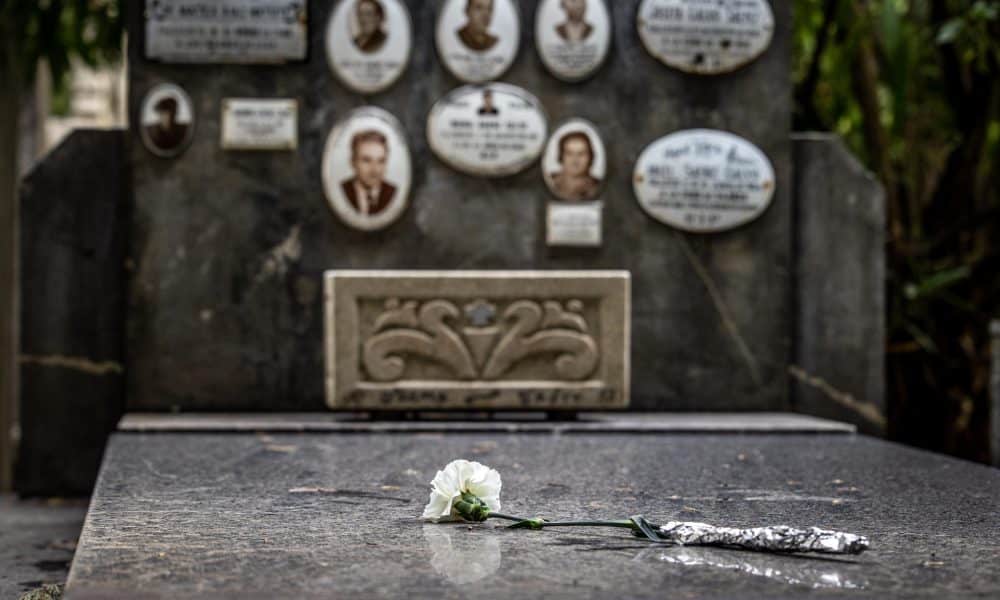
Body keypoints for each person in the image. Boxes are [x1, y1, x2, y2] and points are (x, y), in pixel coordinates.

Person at [340, 130, 397, 216]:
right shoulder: (342, 192)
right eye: (366, 160)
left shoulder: (393, 193)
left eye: (381, 161)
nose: (374, 170)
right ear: (353, 162)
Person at [548, 131, 602, 201]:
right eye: (569, 154)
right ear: (561, 156)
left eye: (581, 154)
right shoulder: (550, 181)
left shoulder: (598, 186)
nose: (575, 160)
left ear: (590, 157)